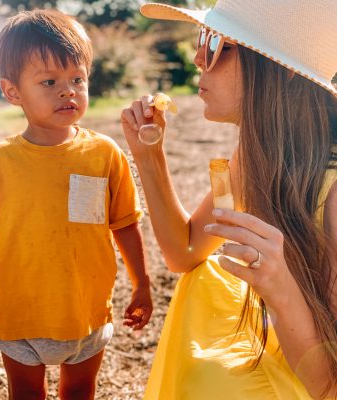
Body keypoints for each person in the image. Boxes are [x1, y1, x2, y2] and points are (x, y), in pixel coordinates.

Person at [121, 1, 337, 399]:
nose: (198, 56)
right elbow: (185, 251)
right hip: (285, 343)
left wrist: (281, 287)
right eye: (203, 38)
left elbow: (328, 384)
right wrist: (148, 155)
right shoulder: (259, 154)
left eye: (219, 43)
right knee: (205, 277)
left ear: (283, 68)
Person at [0, 9, 152, 400]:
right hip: (21, 317)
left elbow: (124, 224)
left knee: (80, 391)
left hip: (86, 313)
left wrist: (142, 283)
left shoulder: (104, 154)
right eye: (49, 81)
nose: (68, 91)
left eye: (77, 79)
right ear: (12, 91)